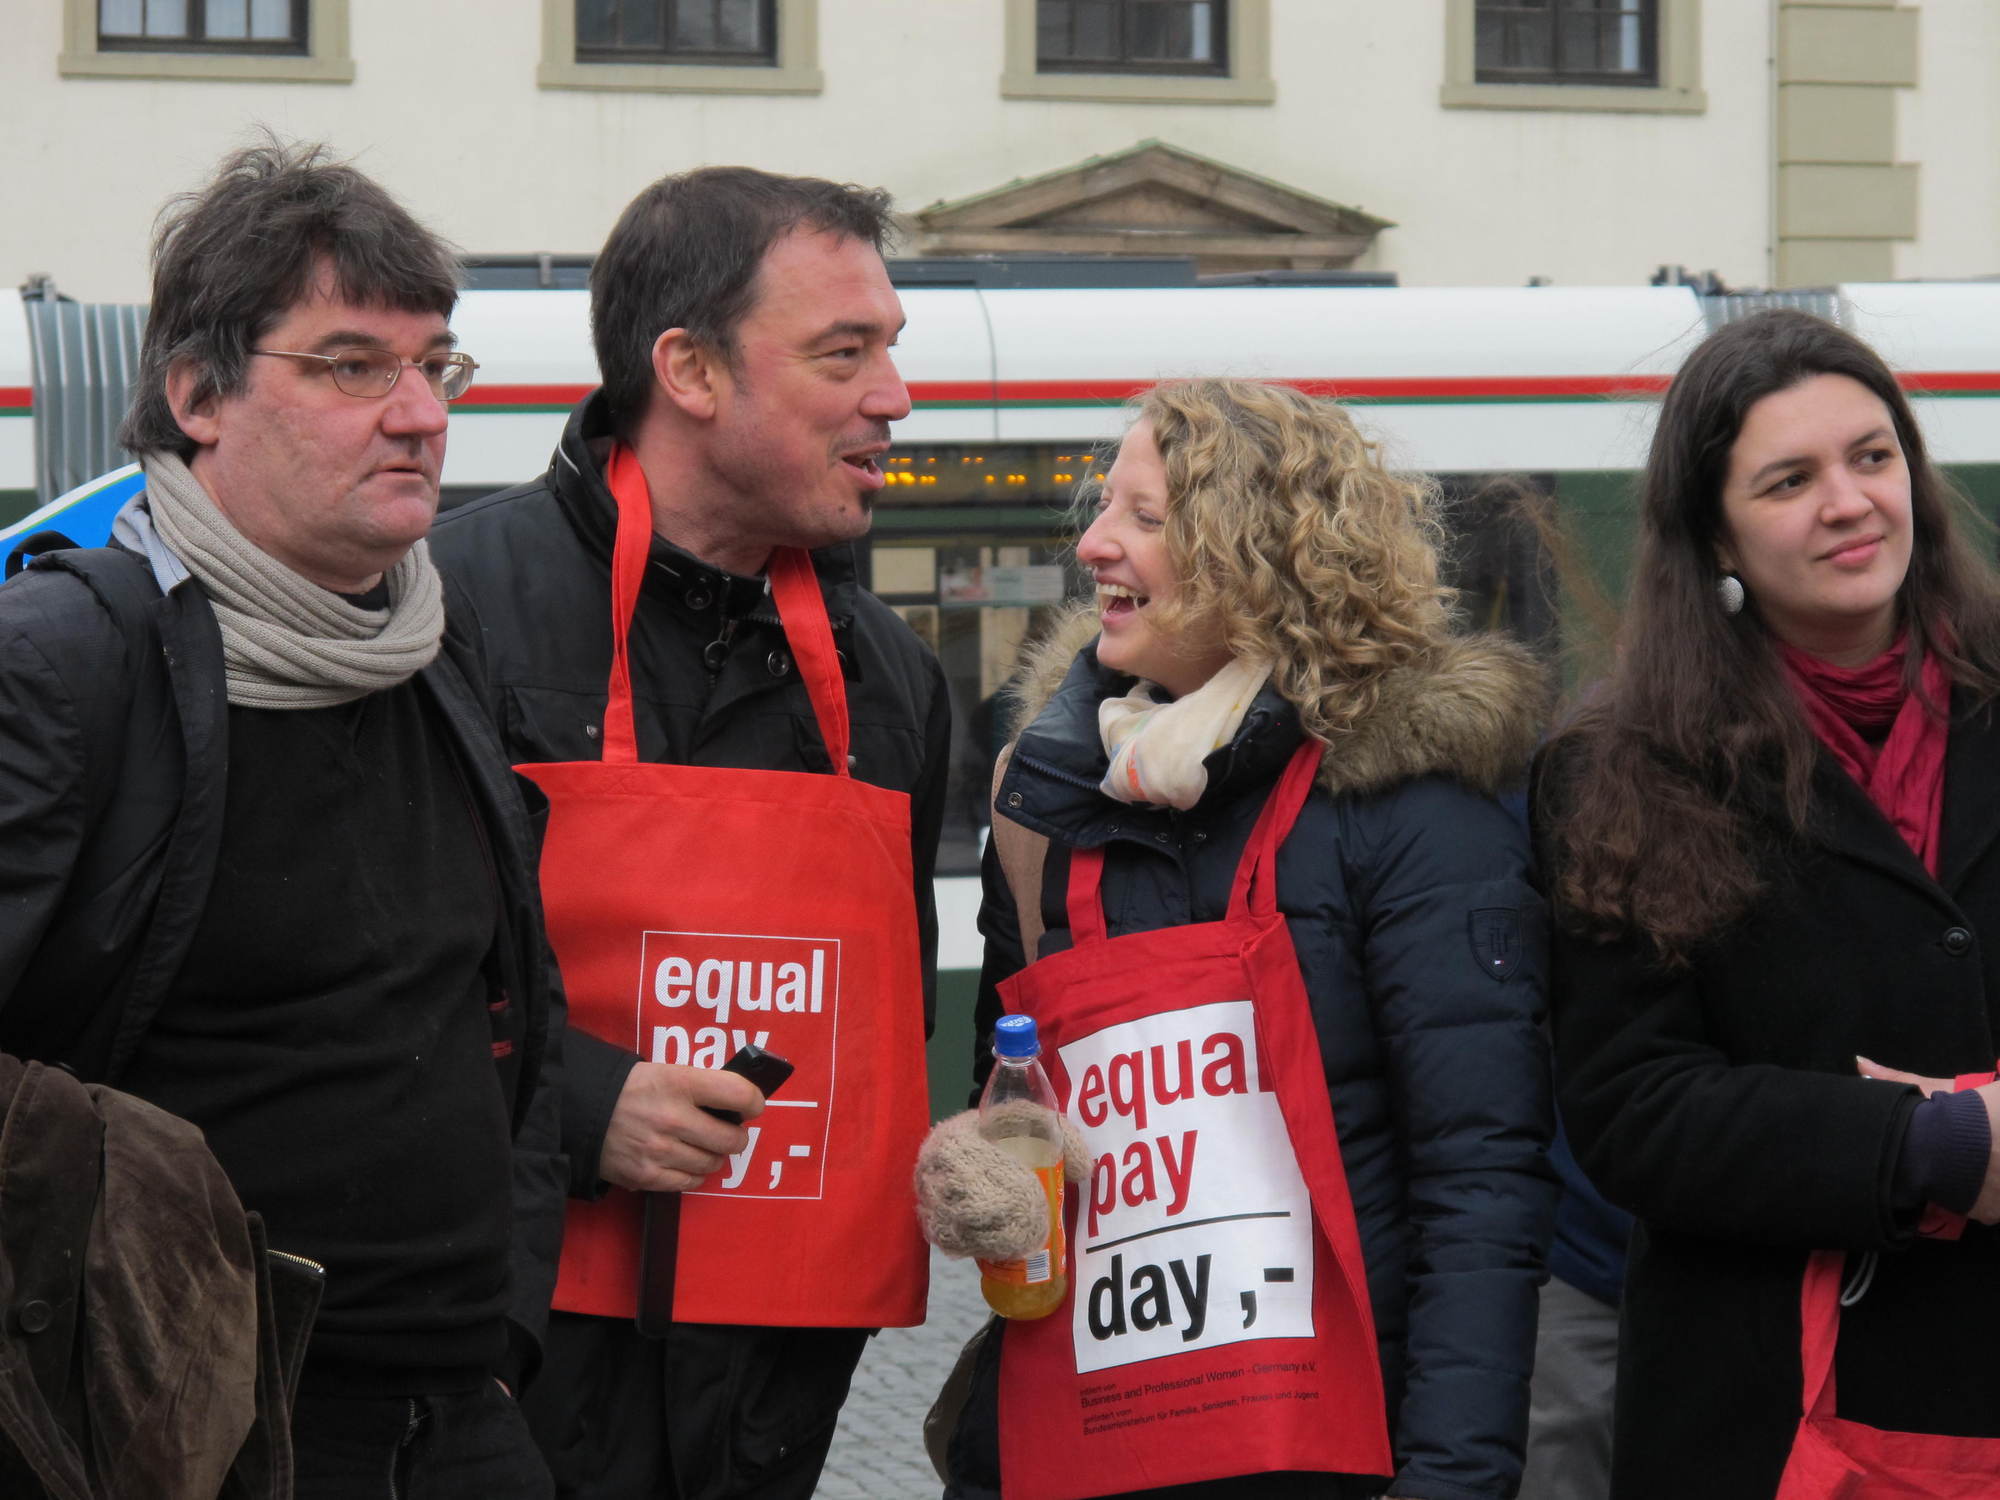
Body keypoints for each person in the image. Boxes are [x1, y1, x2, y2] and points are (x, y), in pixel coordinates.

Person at [0, 141, 564, 1496]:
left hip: (459, 1416)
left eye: (439, 366)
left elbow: (495, 1012)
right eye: (353, 364)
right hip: (184, 1435)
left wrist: (507, 1338)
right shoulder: (63, 668)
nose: (421, 412)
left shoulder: (439, 646)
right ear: (199, 395)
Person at [915, 378, 1556, 1500]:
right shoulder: (1045, 799)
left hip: (1326, 1455)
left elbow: (1477, 1189)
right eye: (1101, 508)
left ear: (1259, 556)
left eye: (1145, 519)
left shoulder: (1407, 811)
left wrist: (1452, 1480)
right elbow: (1012, 1090)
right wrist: (978, 1161)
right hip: (1086, 1440)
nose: (1094, 545)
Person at [430, 165, 951, 1500]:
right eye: (846, 354)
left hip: (777, 1382)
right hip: (509, 1352)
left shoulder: (892, 680)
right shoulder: (453, 614)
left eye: (891, 349)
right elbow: (362, 982)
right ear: (692, 371)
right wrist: (586, 1100)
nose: (894, 397)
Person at [1535, 307, 2000, 1499]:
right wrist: (1925, 1144)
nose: (1847, 503)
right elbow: (1632, 1109)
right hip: (1768, 1419)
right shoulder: (1621, 767)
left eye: (1870, 457)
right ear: (1716, 539)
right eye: (1788, 480)